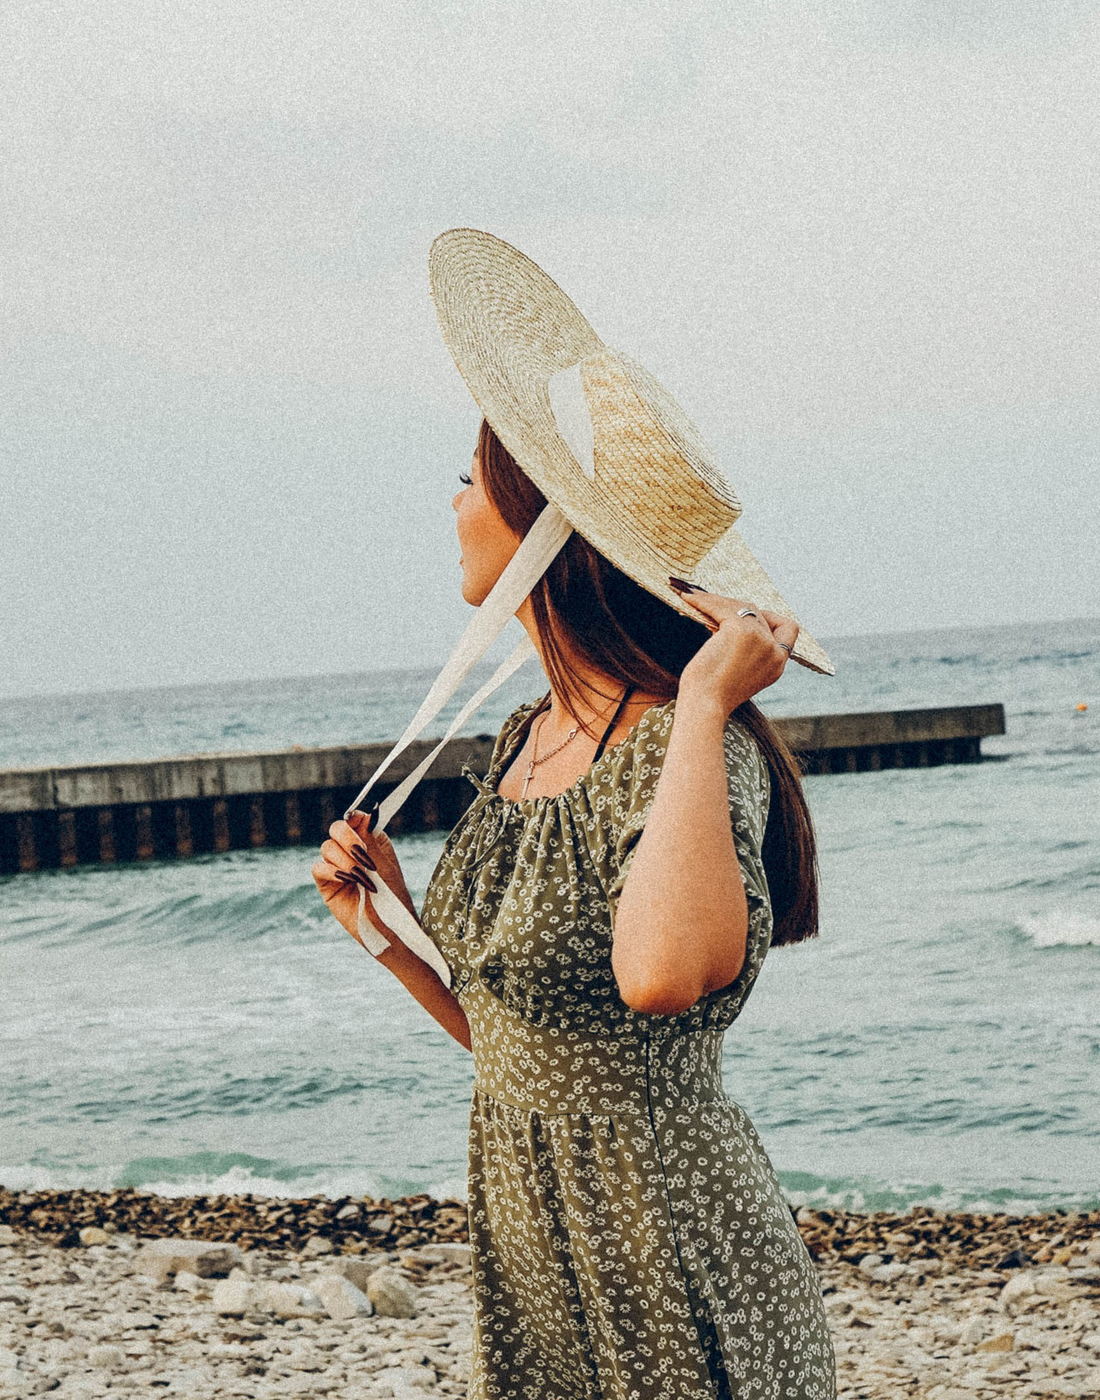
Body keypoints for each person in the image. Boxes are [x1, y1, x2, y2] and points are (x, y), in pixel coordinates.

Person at [314, 231, 836, 1400]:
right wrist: (385, 924)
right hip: (532, 1230)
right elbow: (525, 1046)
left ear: (545, 526)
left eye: (470, 480)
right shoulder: (520, 741)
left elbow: (657, 977)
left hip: (672, 1246)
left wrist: (705, 700)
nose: (451, 501)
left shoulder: (686, 746)